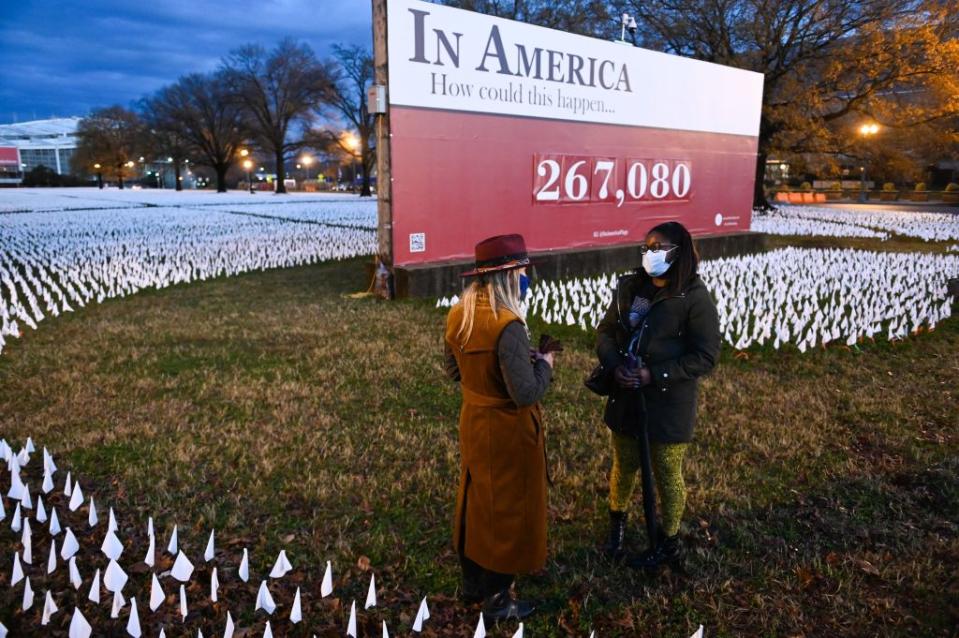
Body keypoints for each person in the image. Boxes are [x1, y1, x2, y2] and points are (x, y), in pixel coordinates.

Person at [595, 221, 720, 570]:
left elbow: (706, 355)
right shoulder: (631, 287)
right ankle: (616, 529)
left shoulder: (693, 297)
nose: (650, 254)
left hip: (667, 403)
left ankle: (669, 542)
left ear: (679, 253)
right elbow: (605, 331)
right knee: (624, 464)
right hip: (625, 395)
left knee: (666, 470)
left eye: (658, 247)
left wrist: (655, 374)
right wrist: (613, 364)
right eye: (646, 247)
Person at [443, 234, 555, 621]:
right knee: (507, 510)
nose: (525, 277)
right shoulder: (508, 324)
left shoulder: (459, 314)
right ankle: (498, 600)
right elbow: (524, 393)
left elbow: (453, 370)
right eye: (522, 271)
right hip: (507, 430)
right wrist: (545, 366)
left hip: (474, 421)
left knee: (476, 501)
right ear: (509, 276)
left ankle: (473, 583)